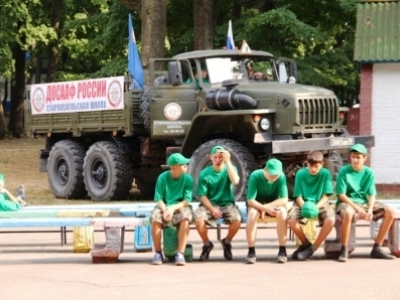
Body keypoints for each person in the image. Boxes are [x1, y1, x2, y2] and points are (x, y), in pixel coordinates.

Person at [335, 143, 396, 262]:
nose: (355, 160)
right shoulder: (344, 171)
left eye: (358, 157)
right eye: (353, 156)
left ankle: (377, 248)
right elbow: (341, 195)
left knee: (391, 212)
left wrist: (370, 209)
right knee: (347, 213)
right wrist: (357, 209)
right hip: (348, 202)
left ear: (365, 158)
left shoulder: (368, 172)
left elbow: (372, 194)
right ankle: (344, 249)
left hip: (364, 202)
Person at [194, 145, 241, 261]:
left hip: (227, 203)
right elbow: (202, 195)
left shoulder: (230, 169)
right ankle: (207, 244)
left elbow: (235, 181)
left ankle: (227, 242)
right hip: (210, 204)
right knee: (199, 219)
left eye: (221, 157)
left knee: (237, 219)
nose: (218, 160)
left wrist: (229, 162)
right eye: (215, 157)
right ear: (210, 158)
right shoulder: (204, 173)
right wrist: (212, 209)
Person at [287, 151, 335, 260]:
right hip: (302, 203)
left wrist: (315, 208)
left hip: (320, 203)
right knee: (291, 220)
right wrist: (305, 207)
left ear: (322, 164)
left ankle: (314, 247)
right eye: (310, 166)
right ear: (306, 163)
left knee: (331, 219)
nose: (313, 169)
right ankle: (305, 244)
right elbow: (298, 196)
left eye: (316, 166)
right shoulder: (300, 174)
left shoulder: (325, 174)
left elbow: (326, 196)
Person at [150, 153, 194, 266]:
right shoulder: (162, 178)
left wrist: (173, 208)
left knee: (186, 218)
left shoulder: (188, 179)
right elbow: (158, 199)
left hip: (180, 206)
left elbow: (186, 201)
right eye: (182, 164)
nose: (186, 165)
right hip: (164, 206)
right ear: (174, 168)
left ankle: (180, 253)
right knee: (155, 218)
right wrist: (165, 210)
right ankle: (158, 253)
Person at [245, 158, 289, 264]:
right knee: (252, 215)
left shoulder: (281, 177)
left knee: (282, 214)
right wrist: (263, 208)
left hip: (274, 203)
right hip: (257, 203)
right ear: (265, 170)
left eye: (276, 175)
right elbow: (250, 200)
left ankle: (282, 250)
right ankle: (251, 251)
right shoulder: (255, 176)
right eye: (271, 175)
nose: (274, 178)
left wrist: (266, 207)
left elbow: (284, 199)